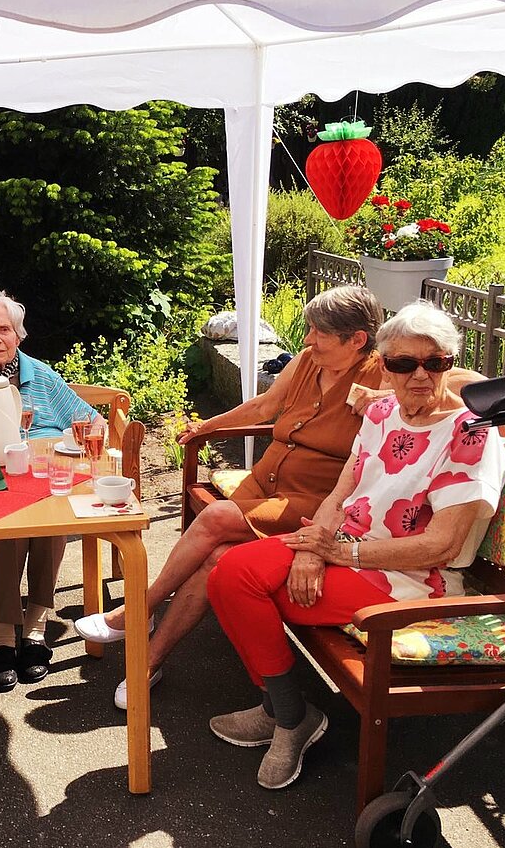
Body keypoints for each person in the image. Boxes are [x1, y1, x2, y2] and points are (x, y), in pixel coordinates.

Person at [76, 287, 479, 709]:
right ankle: (151, 653)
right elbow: (264, 406)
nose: (307, 339)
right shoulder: (309, 361)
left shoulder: (386, 370)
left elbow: (464, 382)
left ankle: (139, 610)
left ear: (357, 340)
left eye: (318, 332)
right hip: (267, 481)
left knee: (214, 521)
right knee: (217, 556)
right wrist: (208, 425)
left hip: (311, 497)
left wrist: (405, 383)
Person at [205, 302, 505, 789]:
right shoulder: (383, 412)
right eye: (404, 364)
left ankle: (285, 717)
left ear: (450, 365)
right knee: (229, 573)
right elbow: (342, 492)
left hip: (410, 582)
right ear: (384, 367)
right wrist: (309, 550)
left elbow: (440, 545)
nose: (420, 376)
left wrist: (337, 555)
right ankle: (286, 713)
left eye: (436, 363)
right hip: (344, 547)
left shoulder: (470, 435)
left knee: (253, 594)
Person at [0, 289, 101, 691]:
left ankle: (34, 627)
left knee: (48, 525)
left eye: (5, 329)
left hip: (43, 476)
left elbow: (92, 420)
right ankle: (1, 637)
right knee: (7, 530)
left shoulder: (42, 375)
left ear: (18, 335)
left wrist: (68, 447)